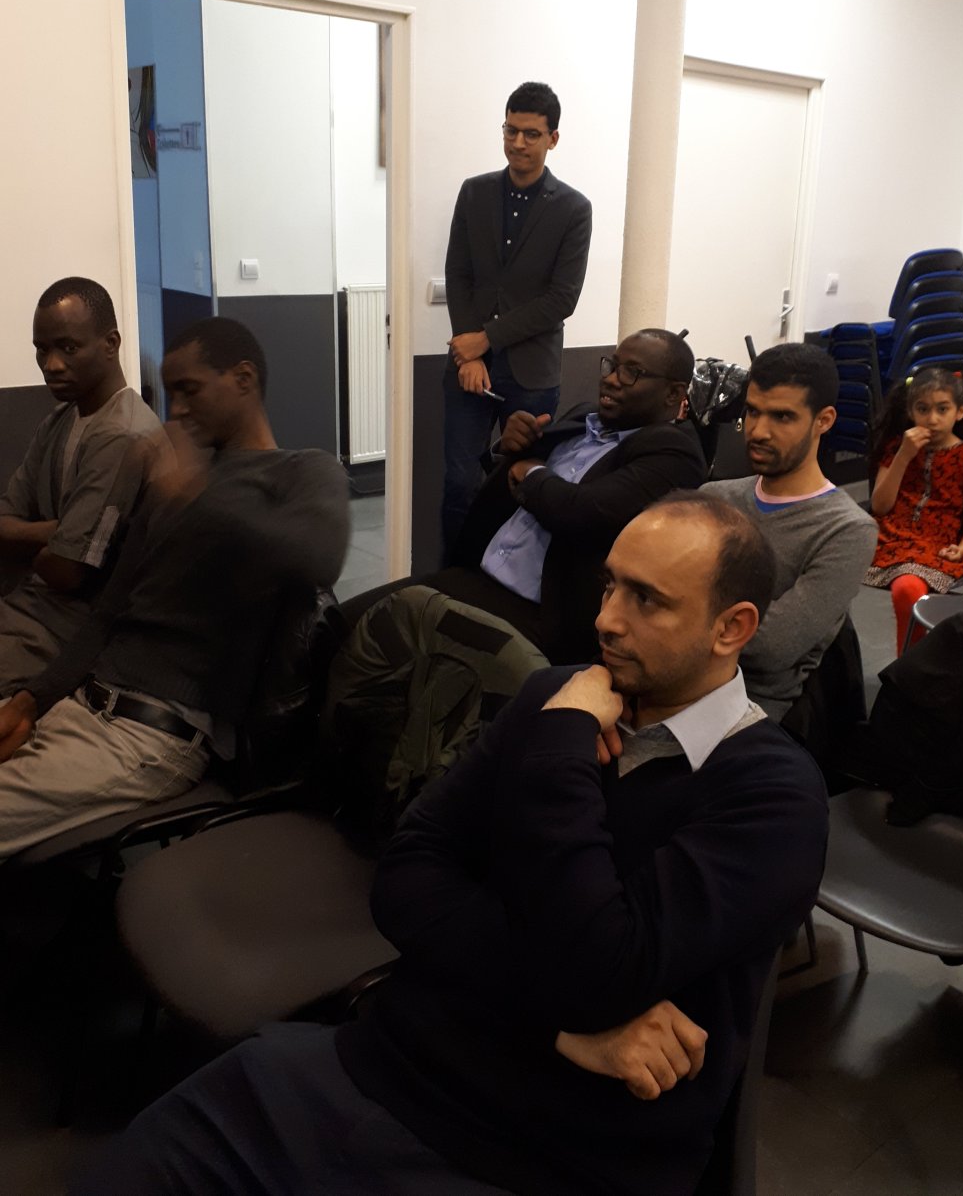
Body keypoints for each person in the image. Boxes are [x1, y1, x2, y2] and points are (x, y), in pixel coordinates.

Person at [72, 492, 828, 1196]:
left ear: (731, 628)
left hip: (543, 1154)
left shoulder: (771, 798)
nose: (605, 619)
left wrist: (561, 749)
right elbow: (407, 879)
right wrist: (561, 1027)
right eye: (609, 586)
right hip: (379, 1064)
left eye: (646, 600)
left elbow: (600, 965)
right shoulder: (556, 697)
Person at [0, 318, 349, 860]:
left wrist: (198, 493)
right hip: (80, 706)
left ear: (243, 379)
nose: (177, 410)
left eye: (189, 390)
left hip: (152, 736)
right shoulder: (176, 481)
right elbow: (109, 612)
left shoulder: (302, 471)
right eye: (170, 394)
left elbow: (318, 556)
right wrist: (31, 700)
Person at [347, 329, 707, 664]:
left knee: (387, 650)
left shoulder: (673, 453)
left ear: (673, 394)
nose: (611, 378)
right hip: (476, 577)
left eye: (631, 373)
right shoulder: (584, 417)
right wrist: (510, 448)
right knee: (345, 623)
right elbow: (514, 475)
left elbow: (581, 511)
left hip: (535, 613)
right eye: (612, 365)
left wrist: (532, 473)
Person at [441, 80, 592, 557]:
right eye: (511, 130)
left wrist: (484, 339)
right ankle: (452, 576)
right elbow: (459, 274)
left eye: (531, 134)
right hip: (469, 367)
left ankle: (509, 576)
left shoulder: (573, 208)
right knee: (460, 481)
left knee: (521, 480)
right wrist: (468, 353)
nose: (518, 143)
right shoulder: (475, 192)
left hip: (532, 371)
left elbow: (561, 299)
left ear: (553, 138)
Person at [0, 277, 164, 695]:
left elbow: (67, 572)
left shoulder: (123, 435)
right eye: (42, 349)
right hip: (26, 605)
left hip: (66, 629)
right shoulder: (59, 419)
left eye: (68, 348)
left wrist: (40, 544)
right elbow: (5, 522)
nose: (52, 364)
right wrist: (56, 532)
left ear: (111, 344)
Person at [702, 342, 877, 720]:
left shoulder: (847, 530)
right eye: (753, 411)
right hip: (671, 681)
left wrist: (670, 626)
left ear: (824, 420)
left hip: (750, 707)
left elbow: (770, 648)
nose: (758, 431)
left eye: (782, 416)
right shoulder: (714, 497)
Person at [865, 366, 963, 655]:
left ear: (959, 412)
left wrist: (962, 550)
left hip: (936, 547)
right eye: (923, 409)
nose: (932, 419)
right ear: (910, 412)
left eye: (943, 409)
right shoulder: (897, 448)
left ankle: (911, 662)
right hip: (886, 539)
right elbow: (880, 506)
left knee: (908, 588)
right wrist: (904, 455)